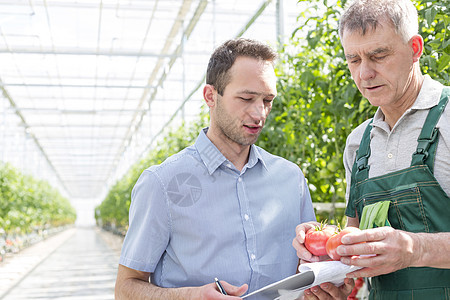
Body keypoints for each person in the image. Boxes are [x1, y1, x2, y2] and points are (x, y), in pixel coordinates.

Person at [114, 38, 318, 299]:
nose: (259, 113)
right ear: (211, 96)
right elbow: (126, 287)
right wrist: (190, 296)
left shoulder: (291, 179)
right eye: (246, 98)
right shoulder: (163, 183)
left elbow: (310, 268)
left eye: (268, 100)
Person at [293, 0, 450, 299]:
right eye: (353, 59)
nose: (364, 73)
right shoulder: (358, 143)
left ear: (415, 48)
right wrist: (329, 260)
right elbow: (354, 260)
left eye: (378, 55)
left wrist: (415, 249)